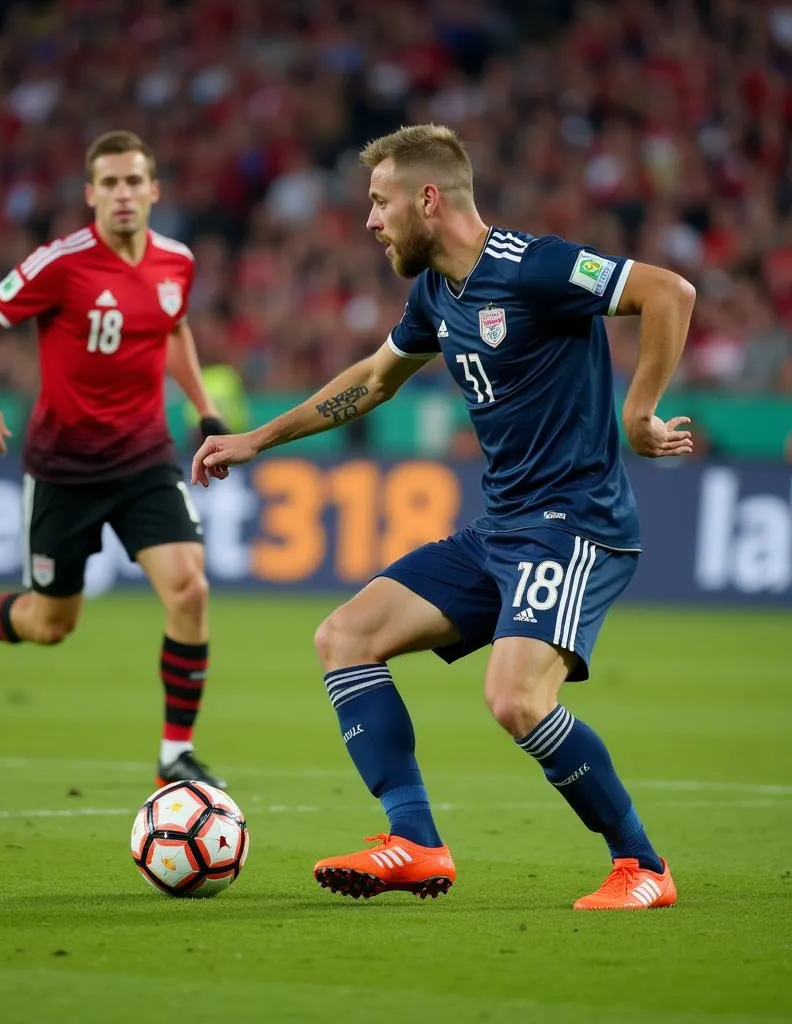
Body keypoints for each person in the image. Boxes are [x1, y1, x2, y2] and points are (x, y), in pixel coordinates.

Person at [192, 124, 696, 909]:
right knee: (345, 637)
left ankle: (643, 867)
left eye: (379, 201)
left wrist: (640, 412)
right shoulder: (434, 292)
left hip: (576, 525)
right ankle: (415, 841)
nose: (369, 221)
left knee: (516, 698)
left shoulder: (535, 266)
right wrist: (258, 439)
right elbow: (373, 379)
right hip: (501, 531)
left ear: (428, 199)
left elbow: (669, 291)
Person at [0, 130, 230, 791]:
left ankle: (174, 754)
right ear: (91, 194)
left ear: (154, 190)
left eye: (134, 182)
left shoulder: (176, 262)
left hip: (146, 457)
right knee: (50, 623)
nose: (123, 194)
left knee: (190, 589)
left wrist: (204, 410)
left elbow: (172, 325)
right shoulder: (60, 263)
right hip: (64, 468)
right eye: (110, 184)